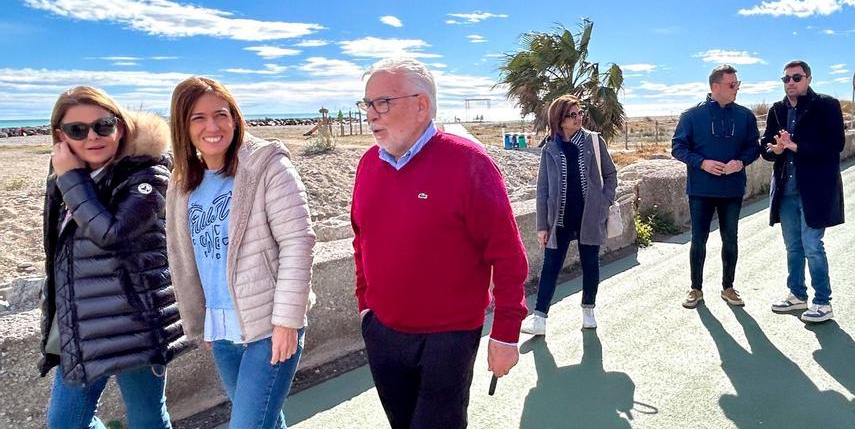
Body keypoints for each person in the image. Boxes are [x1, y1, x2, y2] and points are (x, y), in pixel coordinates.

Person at [351, 58, 528, 429]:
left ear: (421, 105)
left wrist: (506, 333)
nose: (371, 114)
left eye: (383, 102)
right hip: (383, 332)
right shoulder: (368, 165)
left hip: (449, 337)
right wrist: (366, 306)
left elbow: (508, 255)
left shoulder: (468, 162)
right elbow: (360, 240)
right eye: (367, 104)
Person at [165, 77, 315, 429]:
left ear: (235, 117)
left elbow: (299, 241)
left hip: (268, 323)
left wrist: (287, 322)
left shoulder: (266, 166)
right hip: (221, 330)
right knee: (266, 420)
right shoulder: (183, 181)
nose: (212, 126)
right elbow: (186, 257)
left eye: (220, 114)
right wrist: (200, 318)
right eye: (197, 118)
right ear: (182, 126)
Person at [39, 86, 187, 429]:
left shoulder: (147, 174)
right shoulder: (67, 173)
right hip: (79, 323)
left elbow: (112, 233)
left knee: (148, 416)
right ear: (61, 136)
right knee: (65, 422)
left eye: (103, 125)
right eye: (77, 130)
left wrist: (70, 177)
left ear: (119, 126)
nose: (92, 136)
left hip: (136, 323)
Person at [520, 94, 618, 335]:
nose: (578, 118)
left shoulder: (594, 141)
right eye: (572, 115)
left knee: (590, 264)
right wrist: (542, 225)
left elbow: (611, 174)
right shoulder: (550, 148)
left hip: (589, 216)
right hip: (559, 219)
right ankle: (540, 319)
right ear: (559, 119)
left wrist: (604, 202)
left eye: (579, 113)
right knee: (550, 267)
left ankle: (588, 311)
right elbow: (542, 188)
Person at [762, 60, 844, 323]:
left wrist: (796, 147)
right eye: (785, 79)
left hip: (815, 189)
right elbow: (766, 145)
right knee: (793, 246)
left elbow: (835, 146)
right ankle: (797, 295)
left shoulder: (827, 106)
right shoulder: (776, 110)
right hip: (786, 188)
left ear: (808, 78)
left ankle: (823, 302)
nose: (790, 83)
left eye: (796, 78)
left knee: (812, 245)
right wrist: (774, 150)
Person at [672, 64, 760, 309]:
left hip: (732, 189)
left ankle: (728, 287)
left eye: (738, 85)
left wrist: (740, 162)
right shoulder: (691, 116)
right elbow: (678, 148)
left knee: (730, 238)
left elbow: (754, 147)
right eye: (732, 85)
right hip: (701, 190)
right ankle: (695, 288)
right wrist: (702, 163)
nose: (736, 89)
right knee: (698, 240)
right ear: (715, 87)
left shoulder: (745, 116)